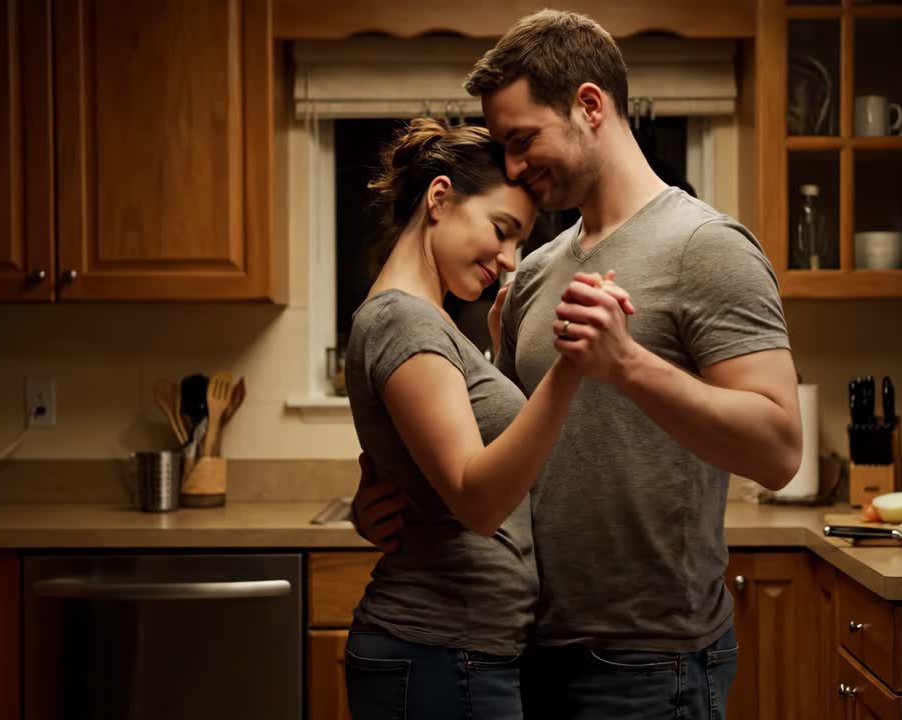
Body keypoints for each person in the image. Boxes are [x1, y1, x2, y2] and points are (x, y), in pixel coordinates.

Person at [352, 10, 803, 720]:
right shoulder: (532, 276)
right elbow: (498, 454)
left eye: (522, 138)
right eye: (503, 146)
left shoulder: (707, 247)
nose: (512, 166)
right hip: (527, 652)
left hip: (651, 663)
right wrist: (398, 502)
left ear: (590, 106)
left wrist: (628, 365)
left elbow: (780, 450)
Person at [341, 117, 633, 720]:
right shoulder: (404, 321)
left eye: (520, 243)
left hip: (458, 652)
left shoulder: (430, 321)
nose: (508, 260)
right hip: (439, 651)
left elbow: (450, 469)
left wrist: (500, 357)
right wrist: (570, 366)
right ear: (440, 198)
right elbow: (477, 501)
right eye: (502, 231)